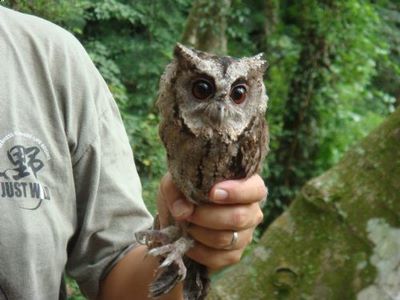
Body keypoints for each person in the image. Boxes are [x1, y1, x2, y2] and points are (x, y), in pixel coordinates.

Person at [0, 5, 266, 300]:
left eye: (239, 95)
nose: (220, 109)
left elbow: (115, 263)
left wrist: (197, 239)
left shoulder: (49, 59)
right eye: (202, 90)